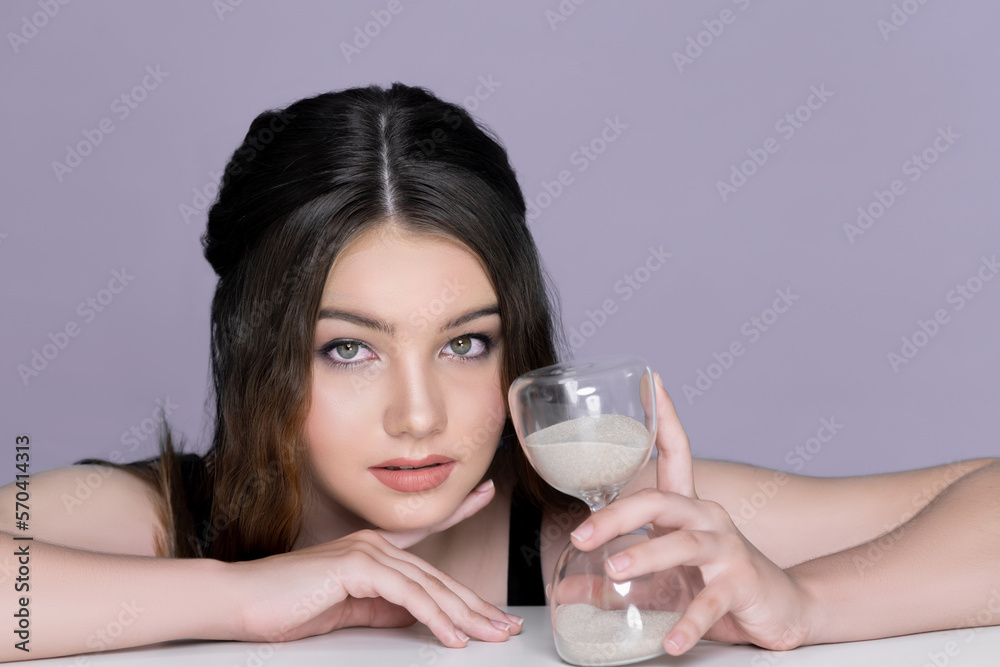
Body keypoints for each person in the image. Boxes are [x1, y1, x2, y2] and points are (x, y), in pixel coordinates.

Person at [1, 82, 997, 662]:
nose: (419, 414)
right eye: (348, 348)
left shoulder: (607, 529)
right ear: (256, 353)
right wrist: (241, 595)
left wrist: (806, 602)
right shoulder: (172, 517)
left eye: (465, 343)